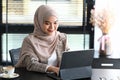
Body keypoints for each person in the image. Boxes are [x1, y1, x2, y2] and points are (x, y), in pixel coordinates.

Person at [15, 5, 69, 75]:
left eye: (55, 23)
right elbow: (32, 64)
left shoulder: (62, 37)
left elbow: (68, 59)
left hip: (58, 76)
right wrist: (53, 69)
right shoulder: (29, 41)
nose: (52, 27)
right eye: (47, 23)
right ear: (39, 22)